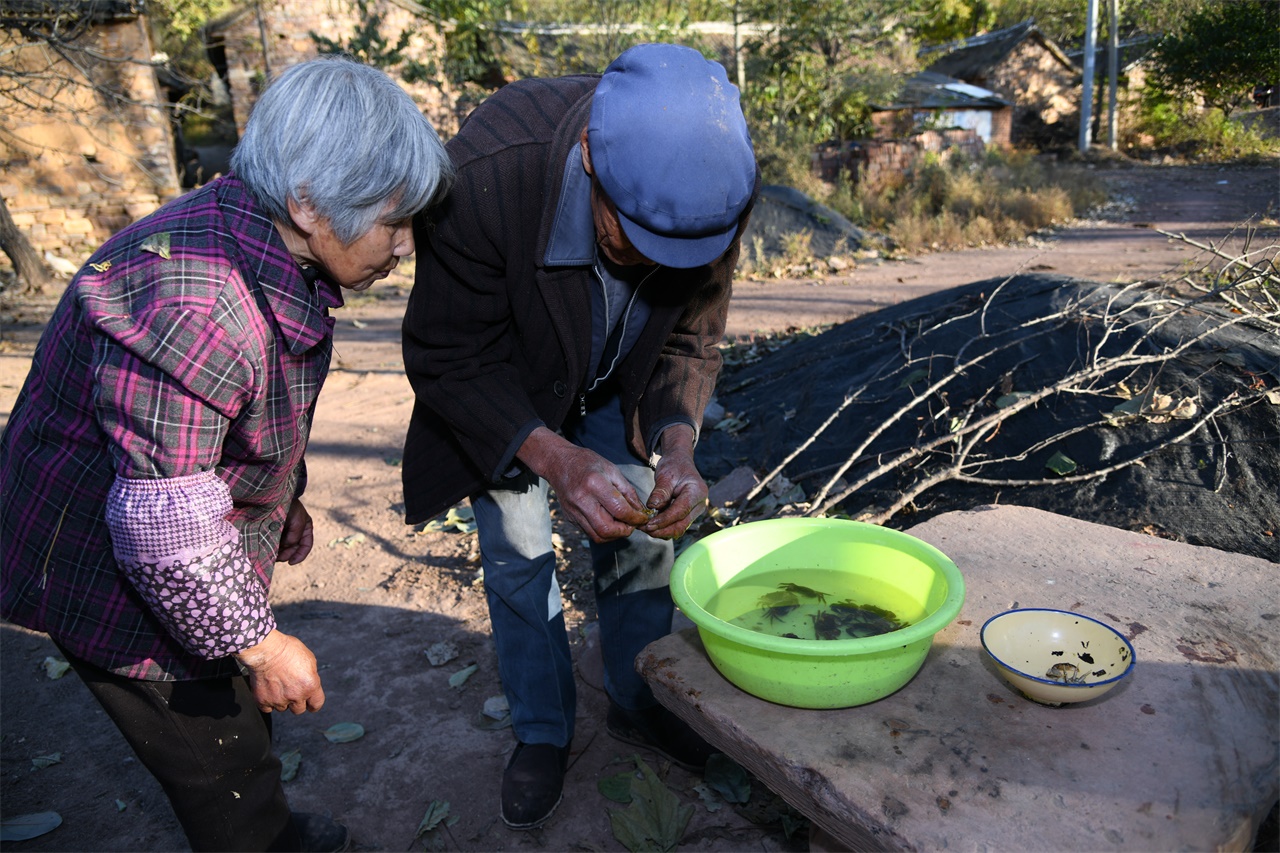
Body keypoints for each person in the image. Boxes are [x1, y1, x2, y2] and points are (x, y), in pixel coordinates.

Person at [0, 56, 452, 852]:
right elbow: (168, 540)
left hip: (158, 540)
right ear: (309, 203)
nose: (406, 244)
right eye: (393, 221)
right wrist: (263, 643)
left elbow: (231, 416)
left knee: (236, 731)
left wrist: (282, 495)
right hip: (108, 571)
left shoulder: (258, 235)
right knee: (220, 762)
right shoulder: (196, 299)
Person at [400, 42, 758, 829]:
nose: (648, 261)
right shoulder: (489, 171)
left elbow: (691, 341)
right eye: (629, 238)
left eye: (677, 252)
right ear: (591, 154)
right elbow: (448, 353)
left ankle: (638, 697)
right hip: (510, 384)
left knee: (643, 535)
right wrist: (554, 455)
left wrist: (676, 445)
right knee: (520, 550)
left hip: (619, 377)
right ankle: (542, 729)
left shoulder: (717, 193)